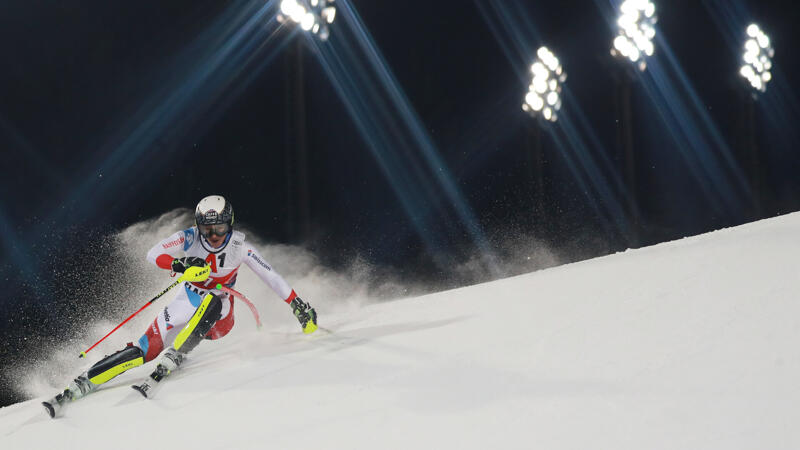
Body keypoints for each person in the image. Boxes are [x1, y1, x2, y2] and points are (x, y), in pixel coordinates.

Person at [43, 195, 317, 417]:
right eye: (208, 230)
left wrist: (297, 305)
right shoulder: (189, 237)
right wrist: (178, 263)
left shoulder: (240, 247)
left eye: (220, 228)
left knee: (213, 299)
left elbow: (270, 275)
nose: (213, 237)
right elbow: (153, 254)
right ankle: (84, 382)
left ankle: (177, 352)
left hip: (219, 316)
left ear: (229, 224)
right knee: (143, 349)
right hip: (186, 299)